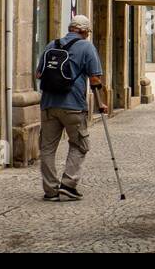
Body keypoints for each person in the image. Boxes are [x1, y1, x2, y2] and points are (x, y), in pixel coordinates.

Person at [35, 14, 106, 202]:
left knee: (47, 148)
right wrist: (101, 103)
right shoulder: (87, 47)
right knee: (79, 144)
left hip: (49, 105)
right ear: (84, 31)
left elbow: (39, 73)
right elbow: (95, 79)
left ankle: (50, 190)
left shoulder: (52, 45)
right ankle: (68, 185)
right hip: (73, 106)